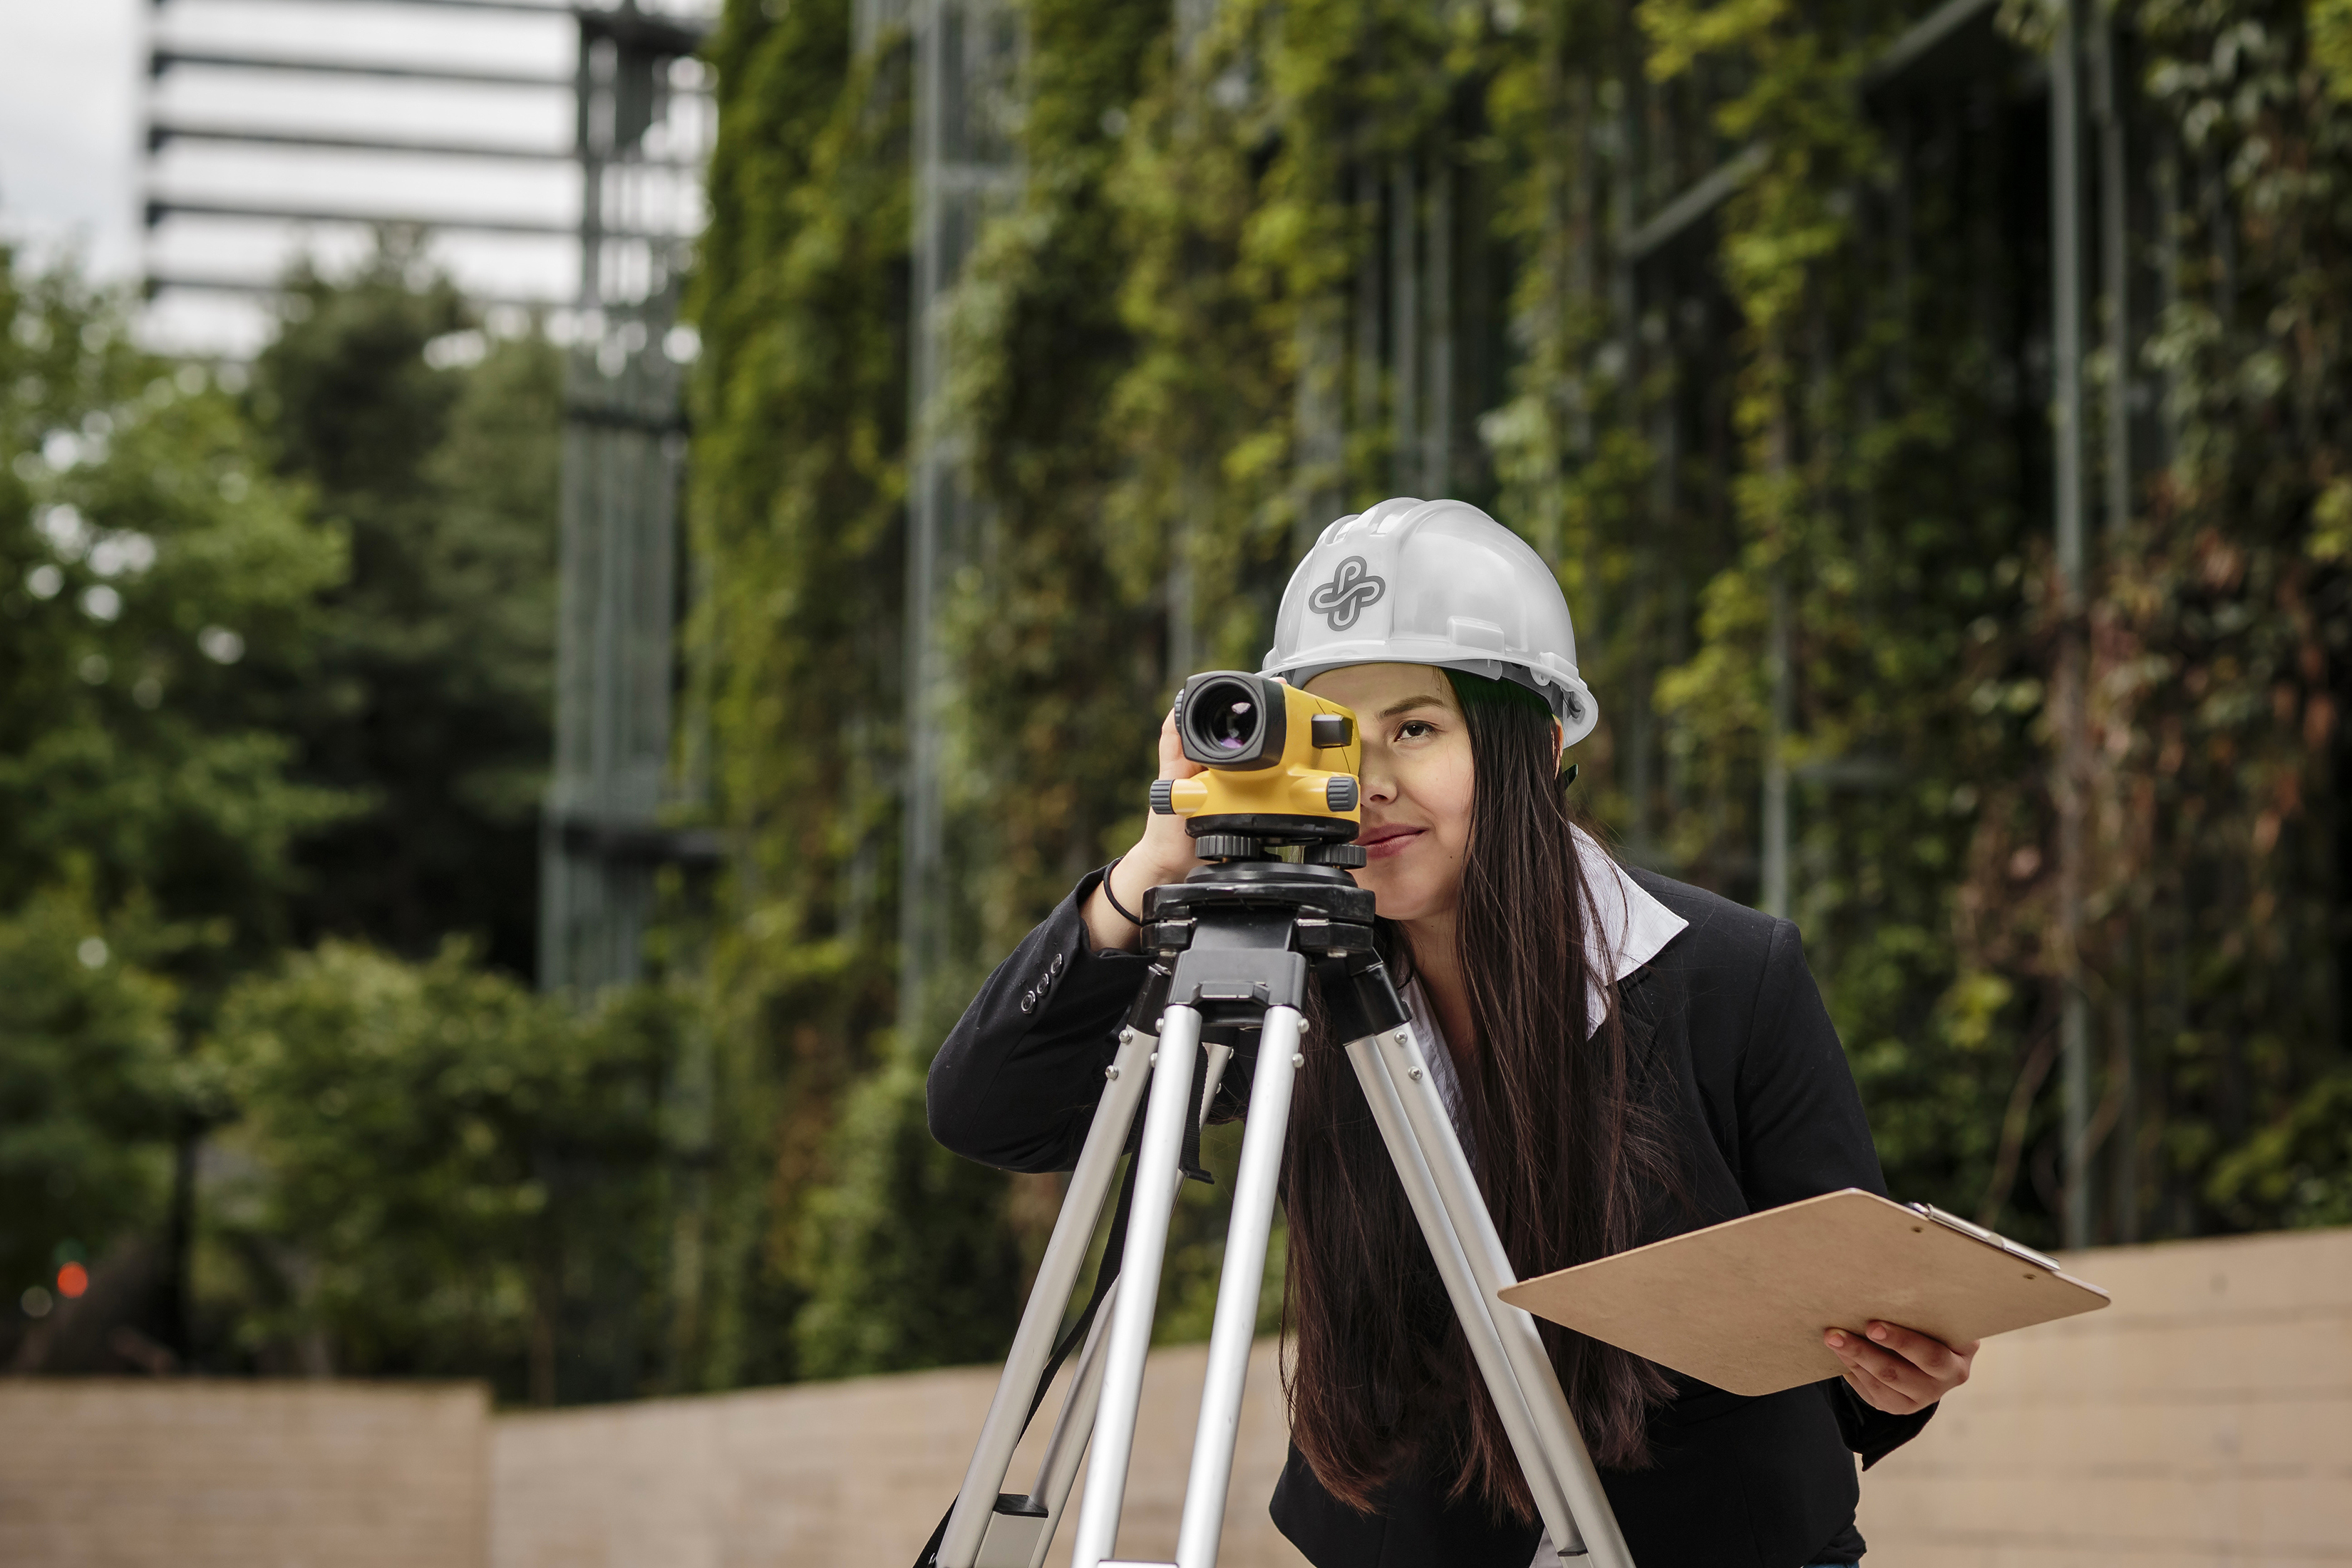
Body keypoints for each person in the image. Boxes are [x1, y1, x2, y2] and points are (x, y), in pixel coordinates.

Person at [926, 498, 1974, 1567]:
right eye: (1334, 736)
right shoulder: (1288, 983)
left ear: (1541, 743)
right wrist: (1150, 871)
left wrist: (1898, 1376)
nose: (1372, 783)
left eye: (1416, 729)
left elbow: (1864, 1350)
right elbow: (991, 1111)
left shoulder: (1731, 973)